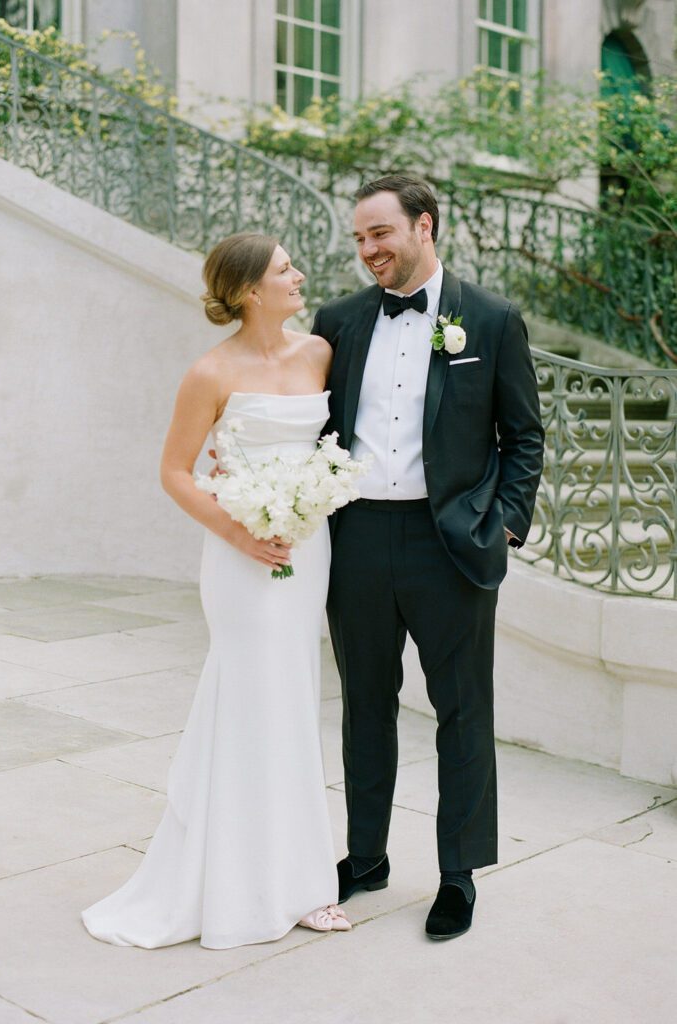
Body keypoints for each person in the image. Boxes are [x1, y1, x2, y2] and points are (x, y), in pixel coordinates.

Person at [81, 232, 350, 949]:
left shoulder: (320, 352)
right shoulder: (210, 371)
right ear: (249, 292)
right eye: (284, 269)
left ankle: (302, 882)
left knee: (293, 699)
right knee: (249, 698)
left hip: (306, 547)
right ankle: (234, 882)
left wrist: (309, 502)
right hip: (239, 555)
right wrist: (238, 531)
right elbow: (174, 470)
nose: (299, 275)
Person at [312, 174, 544, 940]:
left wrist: (504, 523)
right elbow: (320, 428)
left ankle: (458, 875)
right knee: (364, 707)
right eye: (359, 239)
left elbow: (524, 437)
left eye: (380, 233)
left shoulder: (491, 318)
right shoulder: (339, 321)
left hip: (452, 544)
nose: (368, 250)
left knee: (462, 711)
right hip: (359, 539)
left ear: (425, 226)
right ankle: (367, 856)